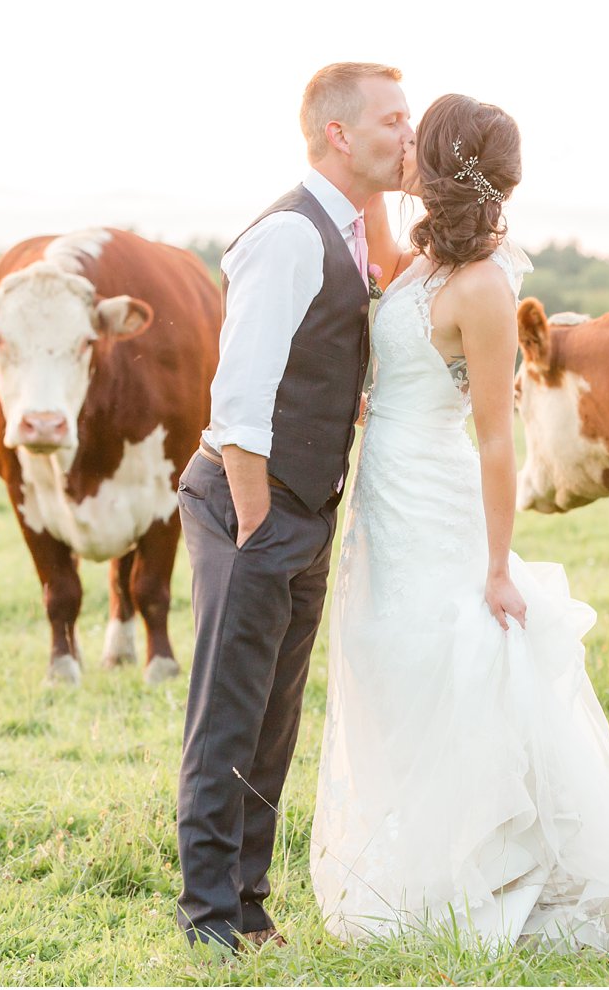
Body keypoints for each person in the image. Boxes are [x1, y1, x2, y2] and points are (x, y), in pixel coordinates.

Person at [310, 93, 609, 957]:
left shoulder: (486, 283)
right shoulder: (422, 258)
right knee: (389, 660)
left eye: (414, 141)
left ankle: (479, 869)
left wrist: (500, 566)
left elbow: (498, 438)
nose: (401, 151)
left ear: (437, 163)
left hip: (439, 492)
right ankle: (409, 860)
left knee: (452, 659)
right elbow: (391, 308)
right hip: (385, 491)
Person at [174, 61, 414, 952]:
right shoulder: (289, 235)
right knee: (227, 713)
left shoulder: (352, 230)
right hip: (257, 506)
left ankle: (248, 905)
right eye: (394, 120)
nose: (410, 136)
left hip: (306, 507)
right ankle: (207, 921)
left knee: (273, 719)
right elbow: (237, 400)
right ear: (338, 134)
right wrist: (258, 524)